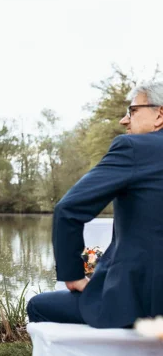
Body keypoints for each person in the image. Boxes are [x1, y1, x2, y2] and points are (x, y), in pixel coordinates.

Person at [27, 80, 163, 328]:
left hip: (141, 304)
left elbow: (67, 210)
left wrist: (74, 276)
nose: (124, 120)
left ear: (159, 115)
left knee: (38, 305)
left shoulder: (133, 148)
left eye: (132, 111)